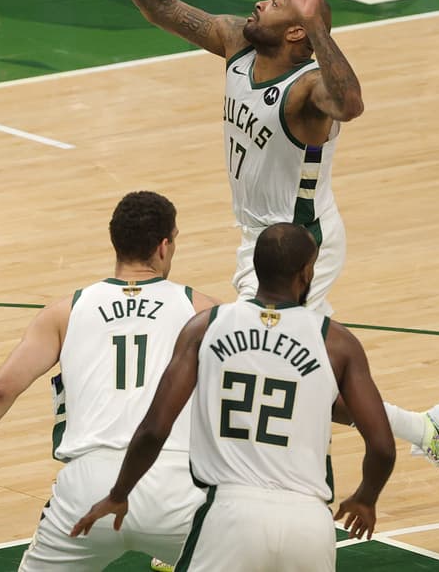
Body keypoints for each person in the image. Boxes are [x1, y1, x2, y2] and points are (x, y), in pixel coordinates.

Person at [97, 0, 439, 506]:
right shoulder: (237, 46)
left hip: (300, 242)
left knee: (251, 363)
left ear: (298, 30)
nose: (258, 2)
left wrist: (322, 28)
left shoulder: (306, 94)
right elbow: (162, 5)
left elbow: (351, 103)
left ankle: (236, 500)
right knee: (300, 375)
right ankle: (429, 430)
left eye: (275, 2)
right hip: (257, 238)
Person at [0, 191, 221, 570]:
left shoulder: (64, 313)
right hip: (176, 488)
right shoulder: (205, 313)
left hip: (86, 489)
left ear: (115, 242)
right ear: (165, 246)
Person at [71, 223, 397, 570]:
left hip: (231, 514)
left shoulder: (206, 326)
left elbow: (154, 429)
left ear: (255, 268)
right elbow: (382, 446)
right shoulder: (337, 343)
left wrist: (119, 493)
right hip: (309, 523)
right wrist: (366, 498)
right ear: (307, 273)